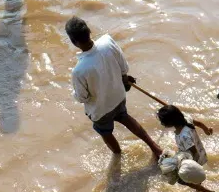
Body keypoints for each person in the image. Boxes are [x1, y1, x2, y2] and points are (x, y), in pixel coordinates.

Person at [65, 17, 161, 160]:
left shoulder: (78, 71)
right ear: (89, 31)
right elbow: (124, 68)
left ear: (74, 42)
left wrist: (74, 93)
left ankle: (117, 156)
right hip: (118, 96)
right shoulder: (107, 42)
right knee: (126, 118)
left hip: (101, 109)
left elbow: (82, 98)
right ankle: (155, 147)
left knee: (106, 133)